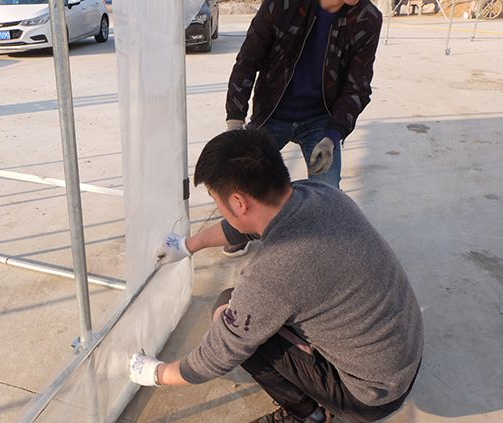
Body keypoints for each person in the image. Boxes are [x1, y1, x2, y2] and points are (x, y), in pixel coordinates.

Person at [129, 129, 423, 423]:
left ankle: (308, 415)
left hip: (371, 395)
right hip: (404, 352)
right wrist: (188, 245)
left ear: (239, 202)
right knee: (240, 307)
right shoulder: (320, 194)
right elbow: (245, 224)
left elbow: (218, 355)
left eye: (215, 199)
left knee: (228, 317)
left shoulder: (272, 274)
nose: (217, 207)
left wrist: (157, 373)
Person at [221, 0, 383, 257]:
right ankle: (240, 230)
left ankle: (317, 252)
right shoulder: (283, 3)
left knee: (328, 194)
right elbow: (248, 61)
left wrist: (332, 136)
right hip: (273, 112)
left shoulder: (367, 17)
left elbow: (357, 87)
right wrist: (235, 120)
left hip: (321, 119)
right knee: (246, 178)